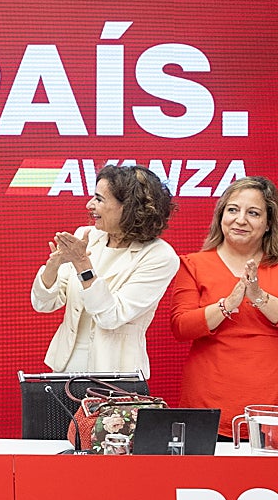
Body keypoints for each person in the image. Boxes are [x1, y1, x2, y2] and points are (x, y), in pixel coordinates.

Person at [31, 164, 178, 379]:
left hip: (116, 375)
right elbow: (43, 304)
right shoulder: (87, 236)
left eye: (99, 199)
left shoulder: (160, 257)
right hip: (64, 370)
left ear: (128, 207)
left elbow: (111, 317)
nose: (89, 205)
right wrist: (53, 266)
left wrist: (83, 264)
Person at [170, 177, 278, 437]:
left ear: (267, 224)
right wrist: (226, 305)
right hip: (208, 400)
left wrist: (258, 295)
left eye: (253, 213)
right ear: (221, 216)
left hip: (270, 403)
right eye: (233, 210)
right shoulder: (193, 264)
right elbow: (181, 327)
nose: (240, 220)